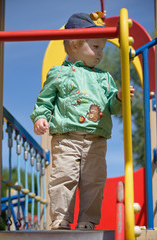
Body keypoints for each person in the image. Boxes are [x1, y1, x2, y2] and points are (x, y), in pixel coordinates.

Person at [30, 12, 135, 231]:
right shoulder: (59, 73)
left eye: (102, 49)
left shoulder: (104, 77)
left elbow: (112, 108)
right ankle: (61, 219)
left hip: (96, 139)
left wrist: (119, 97)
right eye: (96, 47)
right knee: (63, 178)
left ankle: (87, 220)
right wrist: (41, 116)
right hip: (66, 138)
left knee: (94, 182)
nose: (100, 54)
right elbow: (45, 100)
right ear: (75, 44)